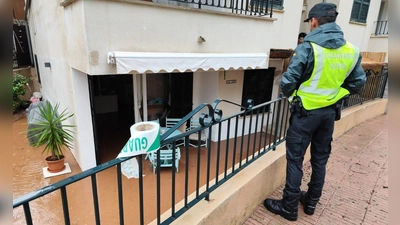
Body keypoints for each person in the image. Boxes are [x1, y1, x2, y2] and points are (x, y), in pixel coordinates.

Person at [263, 3, 366, 221]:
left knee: (295, 160)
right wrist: (336, 95)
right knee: (320, 160)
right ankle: (310, 203)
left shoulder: (308, 47)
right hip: (329, 114)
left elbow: (288, 81)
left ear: (314, 21)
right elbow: (357, 83)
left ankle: (289, 207)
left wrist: (293, 97)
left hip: (305, 113)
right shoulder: (351, 50)